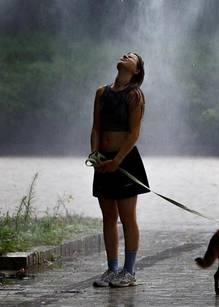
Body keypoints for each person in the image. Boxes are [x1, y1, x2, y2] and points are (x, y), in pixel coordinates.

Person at [90, 52, 149, 287]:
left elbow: (134, 134)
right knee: (108, 217)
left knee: (127, 217)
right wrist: (95, 155)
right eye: (125, 54)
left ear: (136, 70)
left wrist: (118, 160)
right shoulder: (101, 93)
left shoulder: (134, 95)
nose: (126, 56)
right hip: (103, 161)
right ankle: (112, 269)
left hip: (125, 160)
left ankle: (129, 271)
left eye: (131, 57)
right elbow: (96, 128)